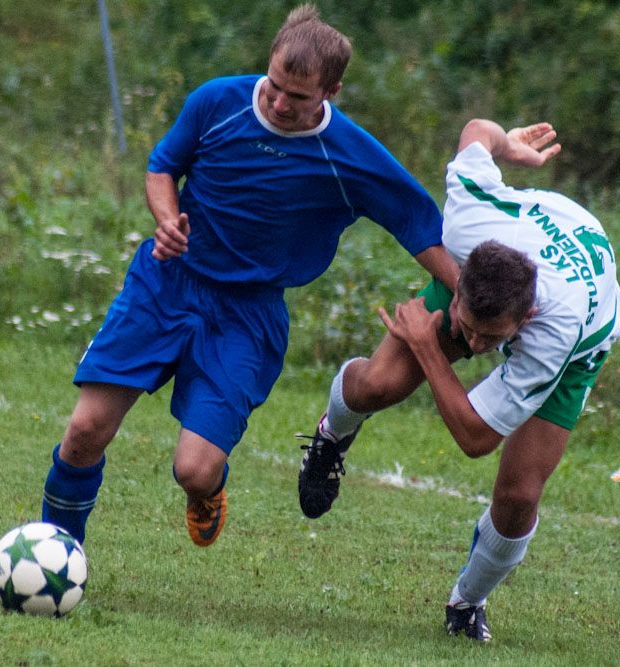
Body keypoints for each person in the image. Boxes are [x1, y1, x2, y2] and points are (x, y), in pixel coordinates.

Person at [40, 4, 458, 550]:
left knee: (193, 469)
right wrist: (167, 220)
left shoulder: (351, 155)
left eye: (298, 97)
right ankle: (56, 551)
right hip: (167, 282)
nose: (279, 103)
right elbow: (163, 166)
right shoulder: (217, 102)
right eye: (274, 85)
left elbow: (418, 227)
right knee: (85, 430)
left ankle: (208, 490)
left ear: (331, 91)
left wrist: (472, 298)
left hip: (247, 316)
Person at [297, 118, 620, 641]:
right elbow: (476, 129)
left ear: (521, 325)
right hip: (511, 249)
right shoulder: (469, 220)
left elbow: (476, 438)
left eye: (487, 341)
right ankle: (332, 435)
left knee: (519, 496)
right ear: (459, 276)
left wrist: (430, 345)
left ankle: (466, 603)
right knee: (378, 385)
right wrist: (507, 145)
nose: (473, 346)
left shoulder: (552, 332)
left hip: (582, 333)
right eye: (465, 328)